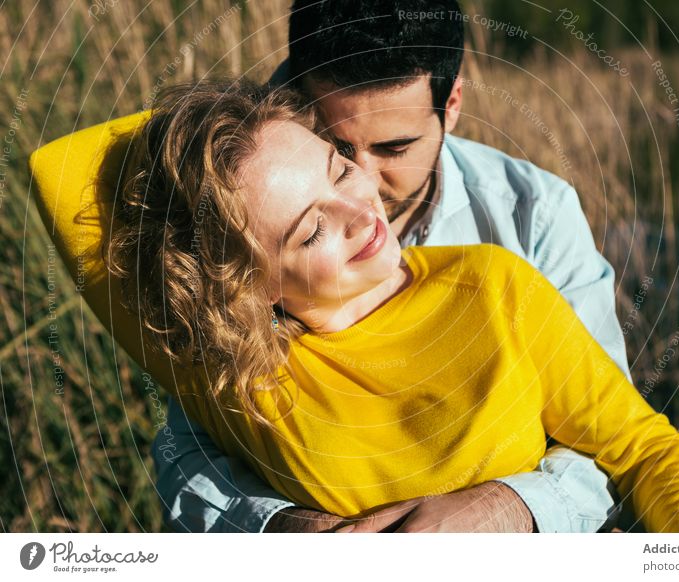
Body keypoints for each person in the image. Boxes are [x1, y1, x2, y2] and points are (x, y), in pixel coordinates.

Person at [104, 78, 679, 534]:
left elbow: (646, 449)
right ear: (247, 285)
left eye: (338, 167)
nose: (363, 208)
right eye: (310, 229)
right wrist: (291, 532)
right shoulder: (241, 366)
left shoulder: (493, 288)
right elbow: (59, 174)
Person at [153, 0, 631, 533]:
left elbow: (615, 439)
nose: (365, 185)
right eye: (336, 148)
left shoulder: (535, 215)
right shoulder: (235, 209)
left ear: (450, 105)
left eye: (394, 147)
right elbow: (183, 451)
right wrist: (290, 529)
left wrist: (510, 509)